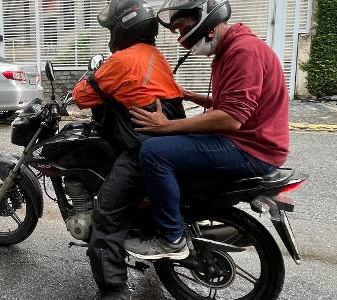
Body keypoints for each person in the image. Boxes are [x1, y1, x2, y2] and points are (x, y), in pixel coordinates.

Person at [124, 0, 289, 261]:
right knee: (173, 144)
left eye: (180, 28)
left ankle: (172, 239)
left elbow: (231, 117)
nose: (181, 38)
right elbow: (232, 103)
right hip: (250, 141)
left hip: (252, 149)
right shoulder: (233, 48)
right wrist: (189, 95)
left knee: (154, 152)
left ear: (203, 21)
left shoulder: (242, 52)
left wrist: (166, 126)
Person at [71, 1, 185, 299]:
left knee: (105, 215)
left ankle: (113, 290)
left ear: (123, 28)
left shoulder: (121, 61)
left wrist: (88, 77)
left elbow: (82, 96)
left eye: (112, 27)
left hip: (143, 148)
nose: (111, 32)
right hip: (170, 142)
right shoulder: (154, 56)